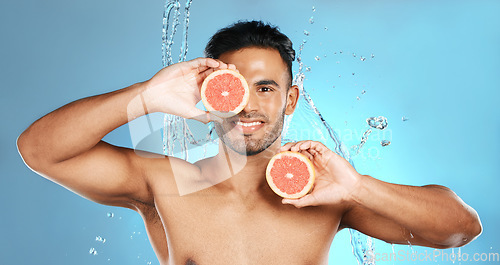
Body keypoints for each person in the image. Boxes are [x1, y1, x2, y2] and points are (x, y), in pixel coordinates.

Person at [17, 20, 481, 265]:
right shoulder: (166, 182)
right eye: (234, 87)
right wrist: (144, 98)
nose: (248, 107)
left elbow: (460, 230)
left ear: (291, 100)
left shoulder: (326, 193)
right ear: (210, 94)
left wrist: (359, 188)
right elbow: (39, 150)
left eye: (266, 88)